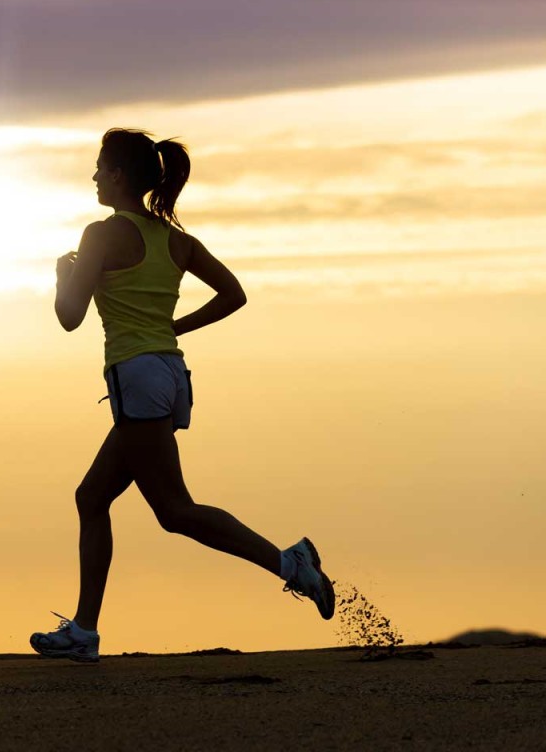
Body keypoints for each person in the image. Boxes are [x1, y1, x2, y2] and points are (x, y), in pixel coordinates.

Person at [29, 128, 334, 664]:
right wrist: (173, 329)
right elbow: (233, 294)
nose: (95, 175)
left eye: (101, 166)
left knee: (175, 510)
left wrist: (64, 275)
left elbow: (69, 318)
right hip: (170, 374)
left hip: (138, 378)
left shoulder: (101, 234)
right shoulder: (175, 240)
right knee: (93, 497)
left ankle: (292, 564)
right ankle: (84, 630)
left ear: (120, 174)